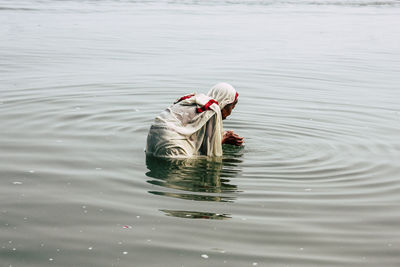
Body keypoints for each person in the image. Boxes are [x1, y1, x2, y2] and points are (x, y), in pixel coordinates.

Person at [146, 82, 243, 158]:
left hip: (152, 140)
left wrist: (220, 136)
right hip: (173, 150)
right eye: (232, 108)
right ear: (226, 103)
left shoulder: (196, 100)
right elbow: (210, 151)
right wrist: (223, 139)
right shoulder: (213, 109)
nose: (230, 114)